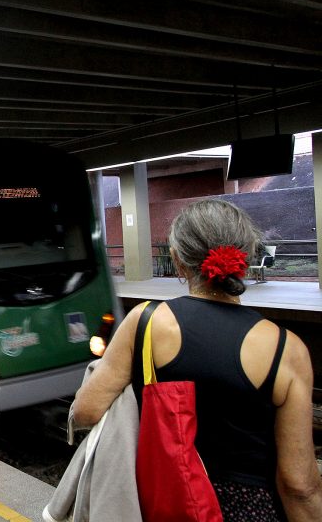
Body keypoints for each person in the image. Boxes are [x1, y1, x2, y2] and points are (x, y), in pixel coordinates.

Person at [72, 199, 322, 521]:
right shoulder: (287, 349)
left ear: (177, 261)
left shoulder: (146, 322)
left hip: (166, 501)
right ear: (245, 259)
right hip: (251, 510)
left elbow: (85, 411)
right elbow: (299, 485)